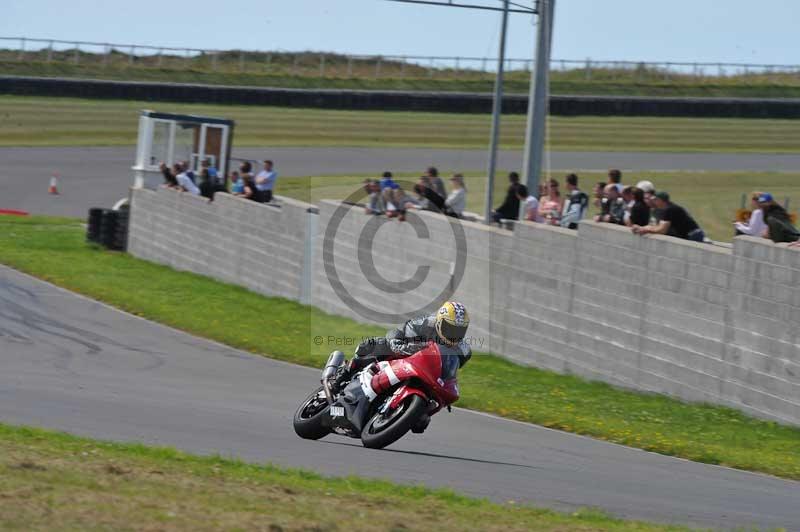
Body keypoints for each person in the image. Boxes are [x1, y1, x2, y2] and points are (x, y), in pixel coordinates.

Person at [341, 302, 472, 400]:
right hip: (404, 351)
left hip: (427, 370)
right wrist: (397, 344)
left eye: (459, 331)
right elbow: (399, 332)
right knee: (373, 345)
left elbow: (450, 370)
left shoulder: (464, 351)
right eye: (450, 329)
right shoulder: (424, 324)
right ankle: (344, 373)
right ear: (439, 322)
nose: (454, 334)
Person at [632, 191, 705, 242]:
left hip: (693, 235)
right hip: (691, 234)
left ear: (661, 200)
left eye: (655, 200)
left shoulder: (670, 210)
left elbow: (662, 230)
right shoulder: (667, 208)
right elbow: (657, 226)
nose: (653, 202)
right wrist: (641, 228)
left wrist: (645, 230)